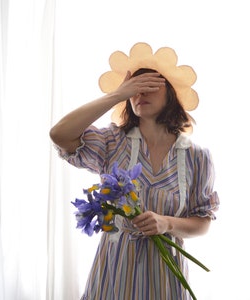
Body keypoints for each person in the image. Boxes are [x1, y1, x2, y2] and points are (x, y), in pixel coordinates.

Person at [50, 42, 219, 300]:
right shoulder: (112, 143)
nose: (140, 93)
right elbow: (59, 134)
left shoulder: (197, 157)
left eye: (149, 84)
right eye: (134, 88)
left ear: (172, 93)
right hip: (113, 276)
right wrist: (116, 95)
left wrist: (167, 223)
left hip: (165, 280)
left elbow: (203, 221)